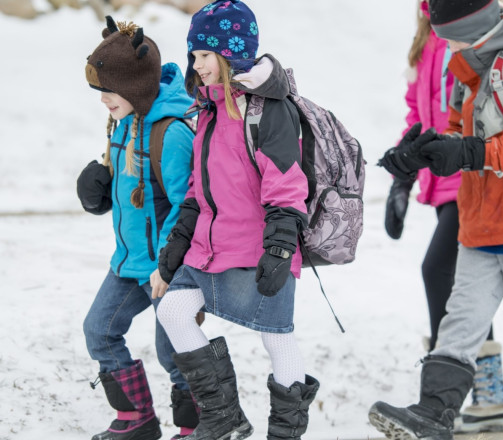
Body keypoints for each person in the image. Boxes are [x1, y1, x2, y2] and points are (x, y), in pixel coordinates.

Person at [371, 1, 503, 440]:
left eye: (451, 36)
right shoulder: (472, 67)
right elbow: (457, 130)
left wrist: (469, 152)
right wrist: (421, 152)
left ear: (473, 26)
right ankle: (433, 413)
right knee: (460, 321)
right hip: (480, 219)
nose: (446, 47)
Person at [154, 1, 320, 439]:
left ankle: (285, 433)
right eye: (194, 56)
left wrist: (281, 247)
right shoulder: (207, 110)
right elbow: (197, 189)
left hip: (259, 247)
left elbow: (287, 186)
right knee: (172, 310)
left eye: (204, 56)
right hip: (209, 246)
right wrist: (177, 243)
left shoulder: (269, 109)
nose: (197, 65)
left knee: (277, 338)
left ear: (231, 54)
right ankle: (224, 418)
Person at [380, 0, 503, 433]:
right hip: (443, 183)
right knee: (461, 281)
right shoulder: (427, 38)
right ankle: (488, 397)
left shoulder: (472, 24)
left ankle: (448, 396)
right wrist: (403, 174)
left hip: (474, 174)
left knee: (439, 272)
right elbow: (418, 115)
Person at [77, 18, 198, 440]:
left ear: (135, 85)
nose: (103, 100)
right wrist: (98, 193)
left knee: (176, 352)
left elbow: (189, 206)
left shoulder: (172, 132)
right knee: (100, 330)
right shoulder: (125, 122)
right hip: (130, 263)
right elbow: (134, 192)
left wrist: (166, 267)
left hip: (170, 267)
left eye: (108, 90)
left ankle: (194, 428)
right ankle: (137, 418)